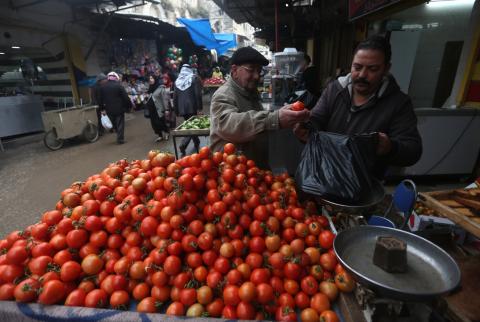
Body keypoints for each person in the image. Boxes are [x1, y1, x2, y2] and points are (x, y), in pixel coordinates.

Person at [294, 35, 422, 179]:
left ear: (386, 69)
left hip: (366, 185)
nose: (362, 75)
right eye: (357, 67)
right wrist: (306, 129)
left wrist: (390, 147)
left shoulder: (398, 103)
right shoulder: (335, 90)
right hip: (324, 176)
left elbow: (413, 150)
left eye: (372, 69)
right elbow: (317, 119)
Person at [210, 46, 310, 169]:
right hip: (231, 174)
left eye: (259, 70)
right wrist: (275, 119)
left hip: (252, 171)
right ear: (235, 70)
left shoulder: (250, 92)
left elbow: (258, 123)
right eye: (251, 70)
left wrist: (288, 119)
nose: (257, 76)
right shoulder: (223, 95)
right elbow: (229, 125)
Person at [173, 64, 203, 156]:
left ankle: (196, 142)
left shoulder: (177, 81)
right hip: (192, 107)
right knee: (191, 127)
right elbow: (198, 94)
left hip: (182, 108)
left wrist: (176, 110)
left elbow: (175, 97)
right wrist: (199, 108)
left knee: (189, 124)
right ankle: (183, 144)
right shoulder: (194, 78)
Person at [98, 71, 133, 144]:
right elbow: (125, 97)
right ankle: (120, 139)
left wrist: (102, 109)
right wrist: (129, 106)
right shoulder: (119, 86)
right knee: (120, 123)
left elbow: (100, 99)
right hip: (119, 108)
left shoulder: (102, 87)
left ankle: (118, 134)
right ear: (115, 78)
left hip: (109, 109)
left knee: (114, 123)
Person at [146, 75, 170, 142]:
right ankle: (160, 135)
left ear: (155, 79)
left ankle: (166, 132)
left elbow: (164, 99)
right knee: (154, 124)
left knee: (161, 122)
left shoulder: (160, 88)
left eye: (152, 78)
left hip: (159, 109)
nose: (151, 80)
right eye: (149, 78)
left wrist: (166, 109)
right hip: (152, 110)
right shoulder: (150, 88)